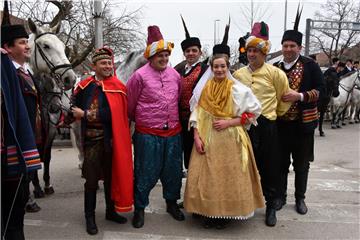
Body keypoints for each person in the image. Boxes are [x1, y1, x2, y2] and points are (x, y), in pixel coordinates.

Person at [184, 24, 264, 229]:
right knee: (209, 177)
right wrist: (196, 137)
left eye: (223, 66)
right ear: (211, 68)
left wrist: (231, 121)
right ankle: (209, 212)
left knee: (228, 176)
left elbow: (254, 111)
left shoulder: (238, 89)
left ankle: (227, 213)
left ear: (228, 68)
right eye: (215, 66)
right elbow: (197, 114)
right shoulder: (204, 90)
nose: (219, 69)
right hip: (208, 137)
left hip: (231, 139)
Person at [65, 47, 133, 235]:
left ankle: (111, 212)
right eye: (103, 63)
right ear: (94, 66)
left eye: (109, 63)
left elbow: (114, 115)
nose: (108, 66)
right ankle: (90, 217)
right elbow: (73, 106)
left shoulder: (118, 87)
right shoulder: (84, 86)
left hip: (112, 141)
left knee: (112, 178)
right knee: (92, 181)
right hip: (91, 142)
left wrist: (85, 114)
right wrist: (70, 114)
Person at [232, 21, 291, 227]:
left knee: (269, 166)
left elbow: (283, 99)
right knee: (244, 166)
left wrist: (272, 116)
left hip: (267, 125)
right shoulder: (238, 75)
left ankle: (271, 206)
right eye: (249, 50)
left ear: (264, 52)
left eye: (256, 50)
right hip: (245, 126)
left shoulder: (276, 73)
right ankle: (244, 204)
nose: (251, 54)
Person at [127, 25, 185, 229]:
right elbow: (130, 106)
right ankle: (140, 209)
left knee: (173, 172)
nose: (164, 58)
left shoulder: (175, 76)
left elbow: (177, 99)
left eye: (166, 55)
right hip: (147, 135)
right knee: (144, 172)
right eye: (160, 55)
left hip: (173, 134)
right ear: (151, 56)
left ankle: (171, 204)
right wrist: (144, 122)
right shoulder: (139, 76)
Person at [274, 8, 325, 216]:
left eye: (292, 46)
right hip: (280, 124)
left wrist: (301, 96)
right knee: (280, 163)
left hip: (303, 124)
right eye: (285, 45)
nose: (288, 49)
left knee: (302, 164)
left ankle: (300, 198)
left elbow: (322, 90)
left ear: (299, 47)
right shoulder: (275, 67)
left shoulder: (310, 65)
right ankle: (280, 197)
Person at [1, 19, 43, 213]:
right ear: (7, 48)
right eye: (22, 42)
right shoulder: (7, 74)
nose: (27, 46)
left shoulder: (27, 73)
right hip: (14, 146)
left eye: (27, 41)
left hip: (29, 141)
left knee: (21, 198)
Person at [176, 15, 208, 176]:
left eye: (194, 50)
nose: (191, 53)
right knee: (187, 158)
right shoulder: (179, 71)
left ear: (200, 52)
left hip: (198, 120)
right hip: (180, 120)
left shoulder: (206, 70)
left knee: (198, 157)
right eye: (187, 51)